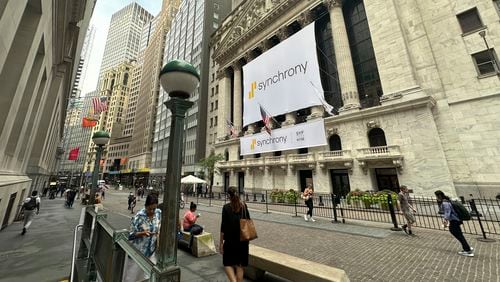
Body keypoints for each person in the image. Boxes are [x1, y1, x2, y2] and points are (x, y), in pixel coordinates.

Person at [125, 194, 161, 281]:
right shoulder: (139, 217)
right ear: (145, 206)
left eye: (154, 208)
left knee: (149, 276)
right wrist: (142, 233)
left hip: (150, 252)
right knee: (132, 277)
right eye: (150, 209)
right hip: (137, 253)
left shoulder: (158, 212)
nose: (152, 211)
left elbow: (159, 225)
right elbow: (129, 235)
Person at [220, 187, 249, 282]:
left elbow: (223, 227)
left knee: (227, 263)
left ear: (228, 195)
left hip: (230, 241)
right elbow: (248, 222)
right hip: (243, 241)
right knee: (240, 266)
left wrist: (221, 243)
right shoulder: (244, 206)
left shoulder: (226, 207)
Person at [434, 190, 474, 257]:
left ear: (439, 196)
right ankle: (467, 247)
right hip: (456, 220)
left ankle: (467, 250)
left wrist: (445, 221)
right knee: (459, 234)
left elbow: (447, 212)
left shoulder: (445, 202)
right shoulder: (448, 200)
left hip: (454, 220)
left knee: (456, 233)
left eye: (436, 196)